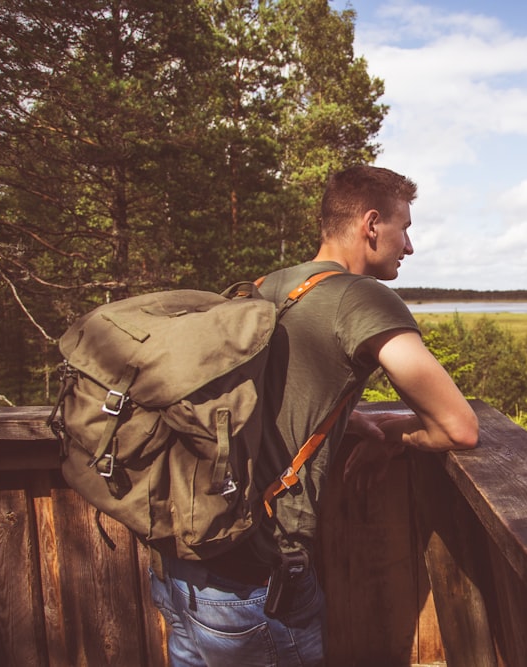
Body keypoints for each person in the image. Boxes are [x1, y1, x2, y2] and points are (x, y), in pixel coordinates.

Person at [149, 166, 479, 666]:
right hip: (253, 586)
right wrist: (397, 438)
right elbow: (458, 427)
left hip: (182, 572)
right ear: (371, 225)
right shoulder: (361, 297)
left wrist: (353, 422)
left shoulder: (267, 286)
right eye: (403, 228)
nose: (408, 246)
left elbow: (276, 396)